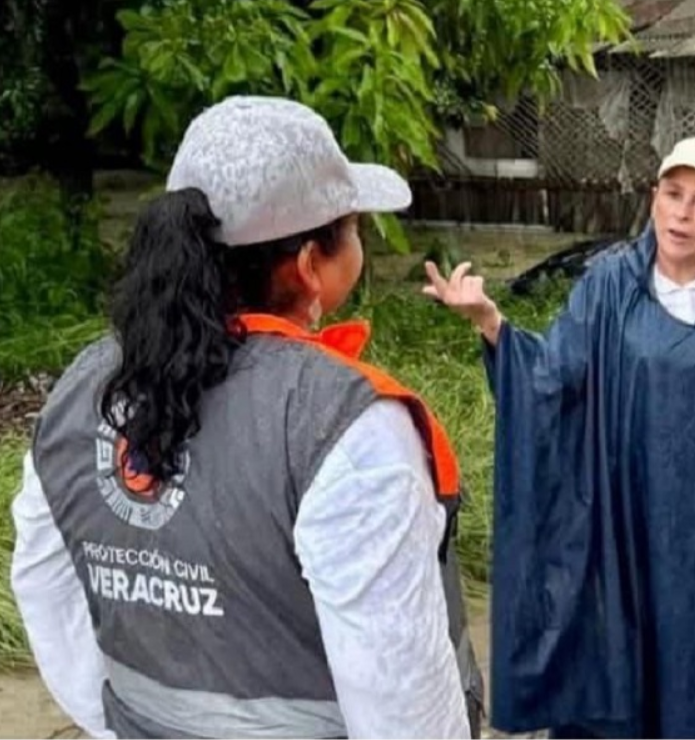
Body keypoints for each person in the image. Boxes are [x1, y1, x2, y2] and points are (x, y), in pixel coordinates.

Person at [9, 96, 482, 739]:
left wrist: (118, 725)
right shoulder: (342, 426)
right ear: (311, 265)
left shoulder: (81, 390)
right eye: (355, 228)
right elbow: (402, 701)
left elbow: (44, 587)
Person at [424, 136, 695, 738]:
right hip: (625, 523)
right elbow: (551, 380)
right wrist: (491, 322)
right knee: (624, 669)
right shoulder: (609, 285)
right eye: (672, 194)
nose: (682, 214)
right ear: (654, 196)